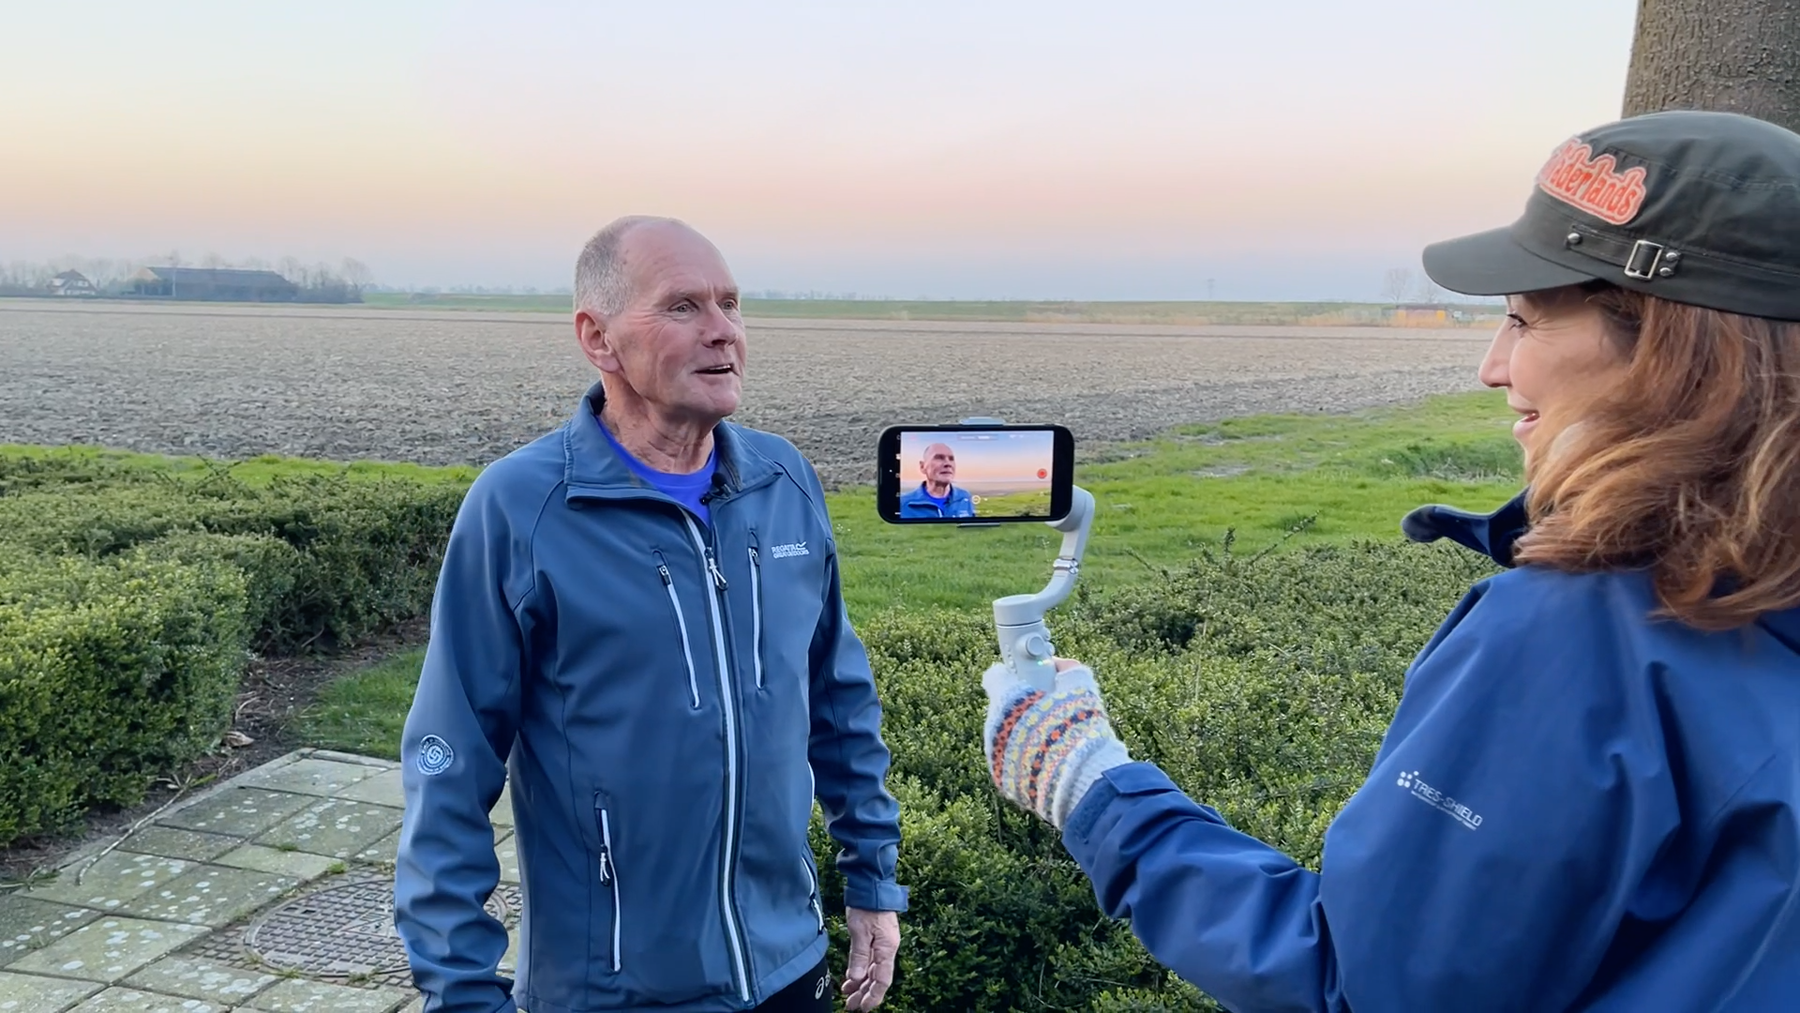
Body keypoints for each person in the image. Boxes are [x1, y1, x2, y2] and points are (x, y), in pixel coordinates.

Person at [979, 109, 1800, 1011]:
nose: (1494, 365)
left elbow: (1367, 990)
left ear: (1670, 355)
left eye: (1525, 320)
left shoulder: (1582, 637)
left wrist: (1090, 786)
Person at [393, 215, 908, 1013]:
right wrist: (460, 992)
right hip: (612, 991)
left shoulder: (784, 483)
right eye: (682, 307)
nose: (723, 332)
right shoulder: (522, 509)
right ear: (598, 339)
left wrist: (873, 879)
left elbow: (838, 699)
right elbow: (447, 767)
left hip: (783, 968)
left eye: (731, 304)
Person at [896, 441, 975, 518]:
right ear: (922, 466)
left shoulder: (964, 497)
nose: (948, 464)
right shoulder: (903, 504)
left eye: (951, 459)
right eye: (939, 458)